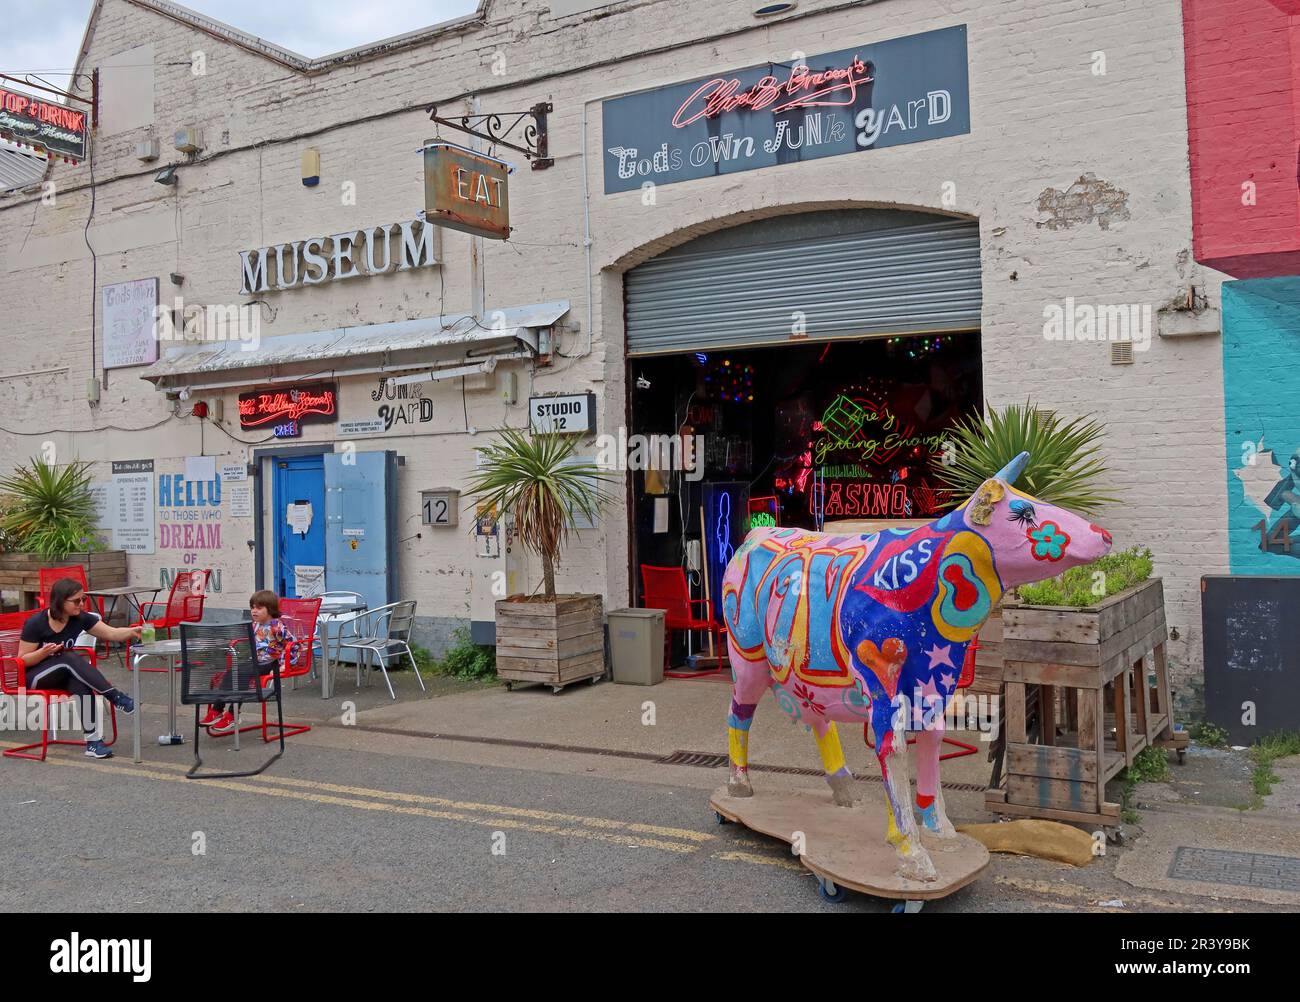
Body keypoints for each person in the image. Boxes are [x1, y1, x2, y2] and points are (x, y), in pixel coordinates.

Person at [17, 578, 142, 759]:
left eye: (83, 599)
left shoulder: (80, 618)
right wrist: (43, 653)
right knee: (68, 657)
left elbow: (111, 633)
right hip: (33, 677)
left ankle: (93, 743)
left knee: (79, 681)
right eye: (76, 601)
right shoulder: (36, 623)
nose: (82, 604)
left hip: (62, 673)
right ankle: (116, 698)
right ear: (60, 601)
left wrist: (132, 631)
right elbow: (22, 660)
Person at [202, 589, 294, 735]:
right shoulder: (255, 625)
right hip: (256, 661)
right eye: (252, 607)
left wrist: (284, 665)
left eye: (259, 608)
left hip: (271, 663)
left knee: (241, 674)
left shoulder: (277, 626)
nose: (254, 611)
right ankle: (217, 710)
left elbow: (292, 645)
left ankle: (233, 714)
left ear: (269, 609)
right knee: (231, 672)